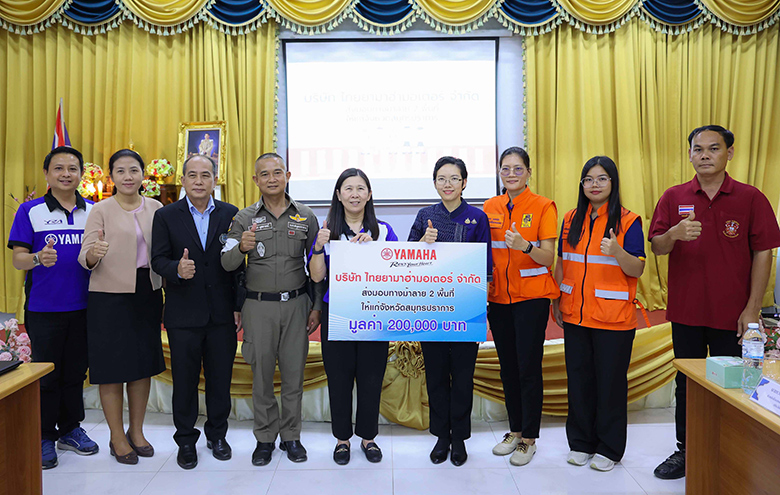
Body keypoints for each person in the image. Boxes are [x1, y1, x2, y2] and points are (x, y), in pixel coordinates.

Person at [649, 125, 780, 480]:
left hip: (734, 314)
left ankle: (737, 450)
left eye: (713, 148)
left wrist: (752, 308)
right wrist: (674, 234)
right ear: (690, 154)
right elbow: (657, 246)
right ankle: (687, 451)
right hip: (687, 311)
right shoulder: (674, 196)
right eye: (698, 149)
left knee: (737, 383)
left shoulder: (750, 197)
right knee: (686, 383)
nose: (704, 155)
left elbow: (764, 252)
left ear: (729, 153)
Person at [221, 152, 322, 466]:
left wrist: (315, 306)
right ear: (255, 180)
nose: (272, 179)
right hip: (258, 306)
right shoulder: (243, 218)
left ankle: (291, 437)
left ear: (288, 175)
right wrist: (241, 247)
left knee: (293, 376)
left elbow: (317, 266)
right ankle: (264, 439)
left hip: (296, 305)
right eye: (264, 174)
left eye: (277, 172)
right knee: (262, 378)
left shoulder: (306, 216)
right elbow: (227, 263)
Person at [552, 156, 645, 472]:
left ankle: (609, 448)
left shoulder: (629, 221)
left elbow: (639, 268)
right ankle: (581, 442)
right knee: (579, 382)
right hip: (575, 315)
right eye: (588, 179)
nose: (594, 185)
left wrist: (618, 252)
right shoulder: (570, 218)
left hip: (613, 318)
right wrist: (557, 299)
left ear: (613, 183)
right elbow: (563, 262)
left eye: (602, 178)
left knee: (610, 385)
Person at [7, 146, 99, 469]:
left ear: (81, 175)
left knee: (76, 371)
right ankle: (45, 434)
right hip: (44, 308)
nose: (65, 174)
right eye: (58, 168)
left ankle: (71, 428)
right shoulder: (30, 211)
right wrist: (37, 258)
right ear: (47, 174)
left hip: (86, 306)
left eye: (72, 169)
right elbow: (18, 258)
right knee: (46, 374)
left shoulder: (94, 211)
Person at [151, 155, 242, 469]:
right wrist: (176, 268)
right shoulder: (166, 216)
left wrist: (238, 306)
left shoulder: (231, 214)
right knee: (185, 381)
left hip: (221, 315)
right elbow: (157, 260)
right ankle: (185, 441)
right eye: (193, 175)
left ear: (214, 179)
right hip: (183, 315)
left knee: (220, 379)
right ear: (184, 180)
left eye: (206, 175)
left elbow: (239, 269)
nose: (199, 181)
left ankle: (217, 435)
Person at [78, 149, 165, 465]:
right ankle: (116, 436)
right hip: (109, 296)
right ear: (111, 176)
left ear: (144, 174)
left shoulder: (157, 208)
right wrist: (94, 253)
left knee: (142, 366)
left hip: (147, 292)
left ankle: (137, 431)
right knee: (112, 369)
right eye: (121, 171)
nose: (128, 177)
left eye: (133, 170)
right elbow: (85, 256)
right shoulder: (100, 209)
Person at [309, 168, 398, 465]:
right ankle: (342, 439)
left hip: (375, 312)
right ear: (338, 194)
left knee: (372, 377)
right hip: (339, 312)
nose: (355, 194)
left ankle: (368, 438)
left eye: (361, 188)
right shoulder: (326, 231)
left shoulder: (384, 231)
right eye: (348, 188)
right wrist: (319, 247)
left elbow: (401, 270)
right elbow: (317, 276)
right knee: (339, 377)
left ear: (369, 195)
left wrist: (374, 251)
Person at [407, 156, 492, 466]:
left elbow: (485, 266)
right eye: (441, 179)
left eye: (454, 178)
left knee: (464, 375)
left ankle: (460, 438)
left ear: (464, 182)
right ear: (434, 183)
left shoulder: (477, 218)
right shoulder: (425, 215)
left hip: (465, 309)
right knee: (437, 375)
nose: (447, 184)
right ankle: (442, 436)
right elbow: (406, 262)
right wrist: (421, 243)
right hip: (433, 308)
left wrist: (480, 307)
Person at [483, 147, 559, 467]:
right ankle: (514, 430)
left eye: (518, 169)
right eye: (505, 169)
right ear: (499, 173)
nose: (511, 174)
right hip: (499, 299)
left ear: (529, 172)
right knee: (508, 366)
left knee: (528, 367)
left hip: (532, 299)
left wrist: (525, 246)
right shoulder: (489, 207)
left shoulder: (543, 206)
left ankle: (529, 437)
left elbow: (548, 257)